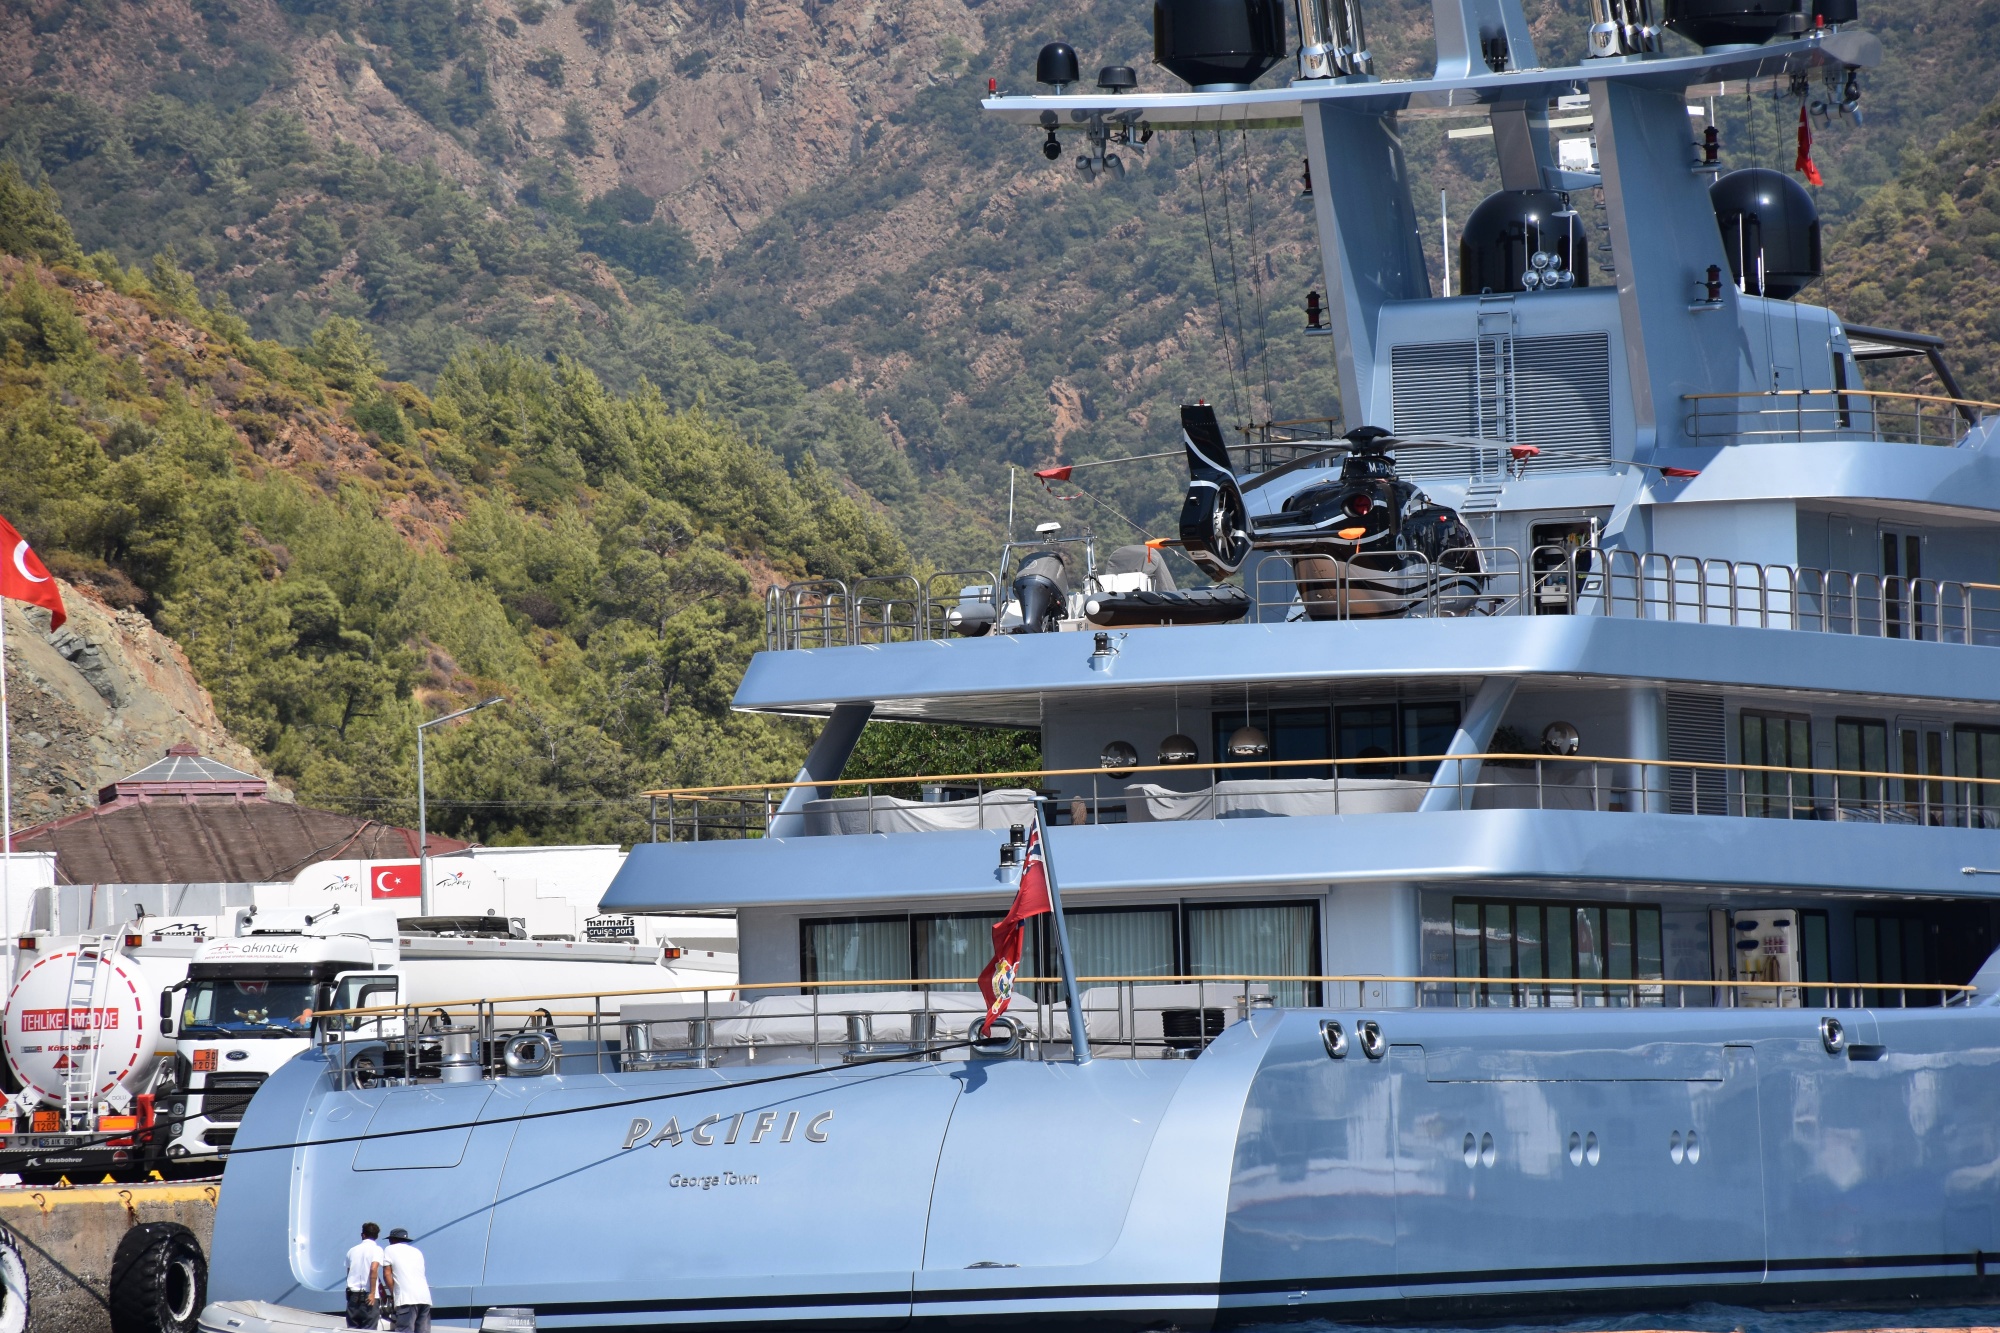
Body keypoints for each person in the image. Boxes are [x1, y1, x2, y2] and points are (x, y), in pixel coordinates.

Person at [381, 1228, 431, 1333]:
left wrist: (393, 1294)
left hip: (406, 1299)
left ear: (393, 1240)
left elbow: (386, 1274)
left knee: (404, 1330)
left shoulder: (389, 1249)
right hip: (425, 1298)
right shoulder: (417, 1252)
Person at [343, 1222, 384, 1329]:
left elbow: (349, 1272)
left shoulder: (352, 1251)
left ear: (363, 1235)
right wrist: (372, 1293)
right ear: (376, 1236)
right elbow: (374, 1268)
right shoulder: (377, 1250)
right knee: (369, 1329)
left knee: (352, 1329)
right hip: (368, 1295)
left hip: (353, 1295)